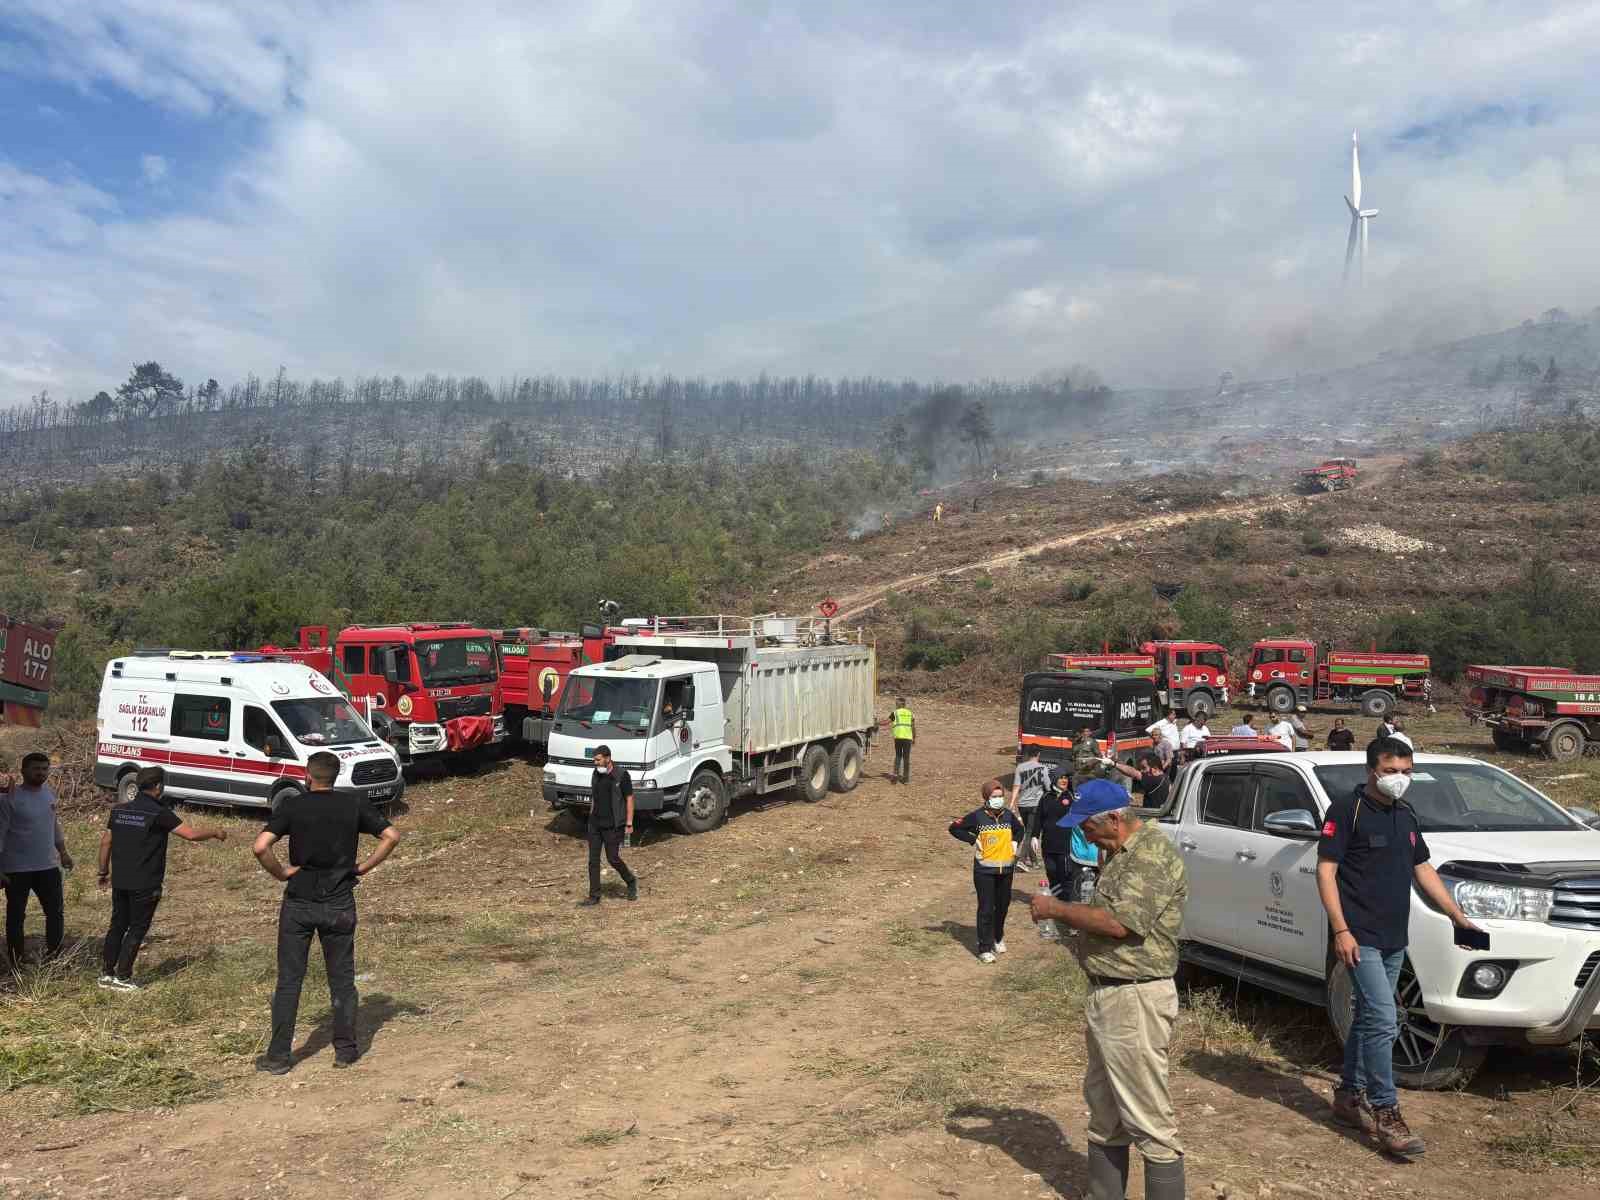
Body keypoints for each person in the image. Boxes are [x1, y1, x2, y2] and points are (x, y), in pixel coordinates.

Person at [1316, 737, 1478, 1159]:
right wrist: (1340, 931)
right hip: (1358, 936)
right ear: (1372, 770)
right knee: (1386, 1019)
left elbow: (1421, 867)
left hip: (1393, 938)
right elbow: (1326, 872)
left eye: (1406, 772)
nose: (1400, 780)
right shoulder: (1346, 811)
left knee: (1371, 1017)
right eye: (1391, 772)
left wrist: (1455, 914)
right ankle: (1386, 1111)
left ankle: (1349, 1096)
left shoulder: (1404, 813)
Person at [1029, 780, 1189, 1200]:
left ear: (1115, 819)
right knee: (1104, 1111)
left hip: (1135, 998)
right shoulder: (1120, 854)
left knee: (1148, 1116)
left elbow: (1121, 923)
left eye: (1087, 826)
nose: (1082, 834)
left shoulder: (1150, 855)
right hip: (1109, 994)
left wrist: (1055, 909)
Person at [252, 751, 401, 1074]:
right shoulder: (353, 804)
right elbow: (392, 836)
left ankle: (279, 1057)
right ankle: (345, 1051)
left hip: (299, 903)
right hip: (339, 902)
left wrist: (281, 873)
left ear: (308, 775)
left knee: (290, 980)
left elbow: (260, 846)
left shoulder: (292, 805)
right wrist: (362, 867)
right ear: (337, 776)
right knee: (342, 979)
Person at [97, 766, 227, 991]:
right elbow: (191, 834)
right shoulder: (159, 813)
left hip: (120, 880)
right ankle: (123, 978)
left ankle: (106, 974)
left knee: (117, 926)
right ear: (158, 786)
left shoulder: (119, 810)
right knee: (137, 928)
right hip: (145, 882)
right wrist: (215, 831)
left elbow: (106, 842)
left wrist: (102, 872)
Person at [0, 752, 72, 966]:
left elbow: (54, 826)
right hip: (17, 867)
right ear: (23, 771)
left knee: (55, 912)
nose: (41, 773)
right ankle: (16, 958)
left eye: (44, 768)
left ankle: (55, 954)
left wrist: (64, 852)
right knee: (16, 915)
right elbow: (0, 833)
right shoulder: (9, 798)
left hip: (47, 865)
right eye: (36, 768)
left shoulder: (48, 794)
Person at [949, 779, 1024, 964]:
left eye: (1000, 796)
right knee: (986, 909)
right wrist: (973, 839)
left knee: (1003, 906)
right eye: (994, 797)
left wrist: (1015, 842)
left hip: (1006, 869)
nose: (998, 800)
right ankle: (984, 947)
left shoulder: (1008, 815)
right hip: (985, 871)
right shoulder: (977, 817)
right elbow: (954, 828)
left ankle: (998, 938)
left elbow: (1020, 830)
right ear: (986, 797)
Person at [581, 745, 638, 905]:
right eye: (594, 760)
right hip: (595, 824)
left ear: (608, 758)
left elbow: (629, 798)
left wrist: (629, 823)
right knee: (593, 860)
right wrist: (591, 817)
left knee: (613, 858)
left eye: (598, 760)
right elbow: (594, 796)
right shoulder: (596, 774)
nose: (595, 763)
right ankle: (594, 896)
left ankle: (631, 881)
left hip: (612, 825)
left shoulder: (621, 775)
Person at [1008, 747, 1050, 872]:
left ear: (1027, 754)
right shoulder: (1043, 768)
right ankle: (1021, 860)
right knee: (1031, 833)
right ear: (1038, 755)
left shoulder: (1020, 767)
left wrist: (1011, 803)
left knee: (1029, 831)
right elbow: (1047, 786)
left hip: (1022, 804)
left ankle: (1034, 861)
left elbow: (1016, 786)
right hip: (1036, 804)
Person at [890, 697, 915, 784]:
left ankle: (895, 777)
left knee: (898, 756)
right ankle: (906, 779)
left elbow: (887, 721)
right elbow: (913, 726)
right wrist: (914, 738)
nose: (896, 705)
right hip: (908, 738)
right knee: (906, 758)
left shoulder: (895, 713)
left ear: (900, 704)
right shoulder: (910, 713)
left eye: (897, 703)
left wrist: (877, 723)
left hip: (898, 738)